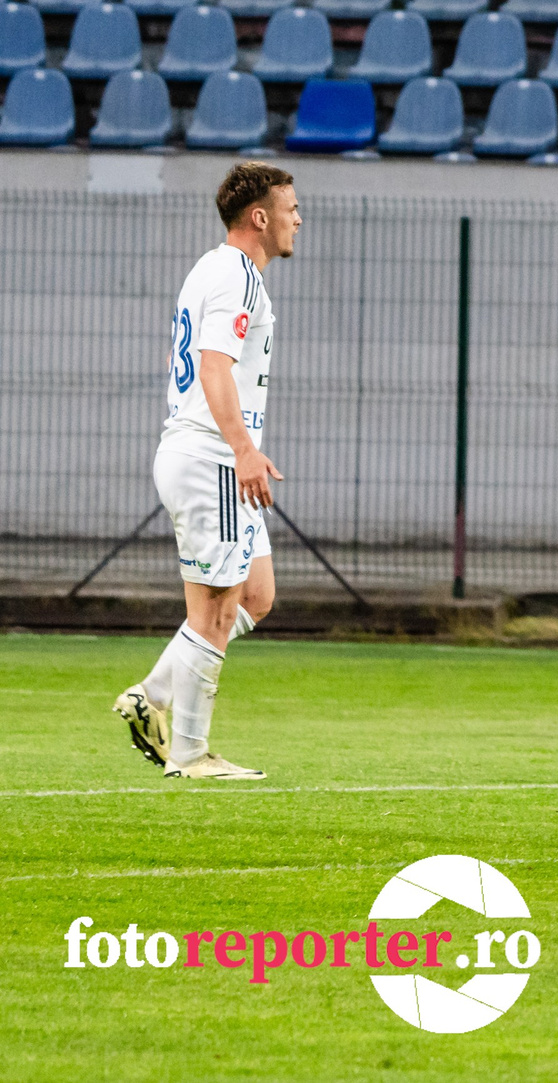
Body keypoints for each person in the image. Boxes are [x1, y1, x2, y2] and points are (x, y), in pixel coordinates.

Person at [115, 162, 301, 780]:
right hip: (212, 458)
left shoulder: (213, 269)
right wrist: (244, 449)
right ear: (260, 216)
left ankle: (153, 697)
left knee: (256, 595)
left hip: (201, 452)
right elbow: (214, 365)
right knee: (215, 610)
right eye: (290, 207)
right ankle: (190, 755)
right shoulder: (236, 275)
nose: (298, 218)